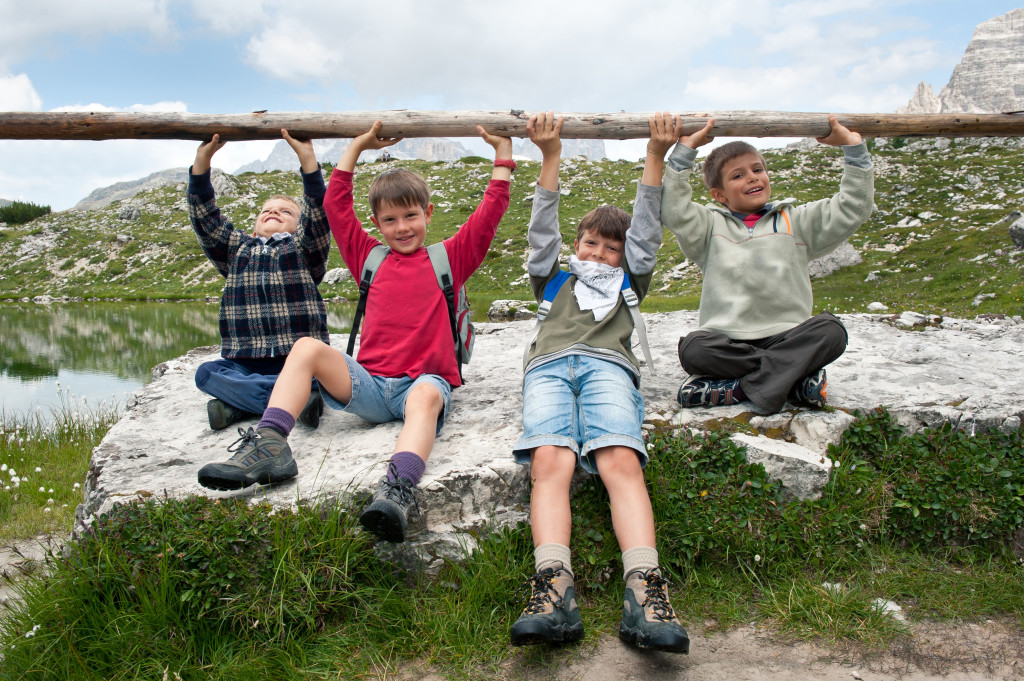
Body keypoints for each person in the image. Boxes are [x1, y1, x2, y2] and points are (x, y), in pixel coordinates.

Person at [196, 120, 514, 546]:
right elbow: (336, 206)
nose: (402, 227)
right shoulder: (367, 256)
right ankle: (271, 446)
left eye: (411, 216)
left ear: (428, 214)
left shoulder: (450, 258)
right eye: (390, 219)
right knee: (307, 347)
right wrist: (357, 146)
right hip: (369, 387)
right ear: (377, 223)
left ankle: (397, 489)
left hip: (421, 384)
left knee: (425, 396)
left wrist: (503, 157)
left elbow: (490, 212)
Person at [509, 112, 689, 654]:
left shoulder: (630, 280)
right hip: (546, 368)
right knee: (550, 463)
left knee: (620, 459)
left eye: (612, 249)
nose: (600, 255)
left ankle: (645, 589)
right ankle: (553, 586)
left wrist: (654, 157)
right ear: (577, 244)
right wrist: (550, 157)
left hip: (609, 367)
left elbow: (647, 230)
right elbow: (542, 230)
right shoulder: (553, 276)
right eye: (590, 244)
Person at [663, 114, 875, 412]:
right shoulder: (708, 226)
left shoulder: (797, 220)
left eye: (757, 169)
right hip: (730, 342)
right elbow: (673, 210)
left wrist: (854, 149)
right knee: (692, 349)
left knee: (831, 330)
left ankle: (738, 389)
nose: (752, 177)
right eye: (737, 175)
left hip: (789, 335)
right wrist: (683, 152)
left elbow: (855, 207)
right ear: (718, 194)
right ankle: (795, 380)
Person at [188, 129, 327, 432]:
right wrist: (203, 160)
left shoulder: (302, 249)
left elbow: (318, 214)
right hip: (244, 362)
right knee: (206, 374)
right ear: (253, 227)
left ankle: (238, 405)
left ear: (298, 225)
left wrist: (307, 159)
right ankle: (295, 402)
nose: (274, 211)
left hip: (297, 359)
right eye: (266, 210)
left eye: (286, 211)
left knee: (321, 375)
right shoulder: (236, 248)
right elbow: (205, 220)